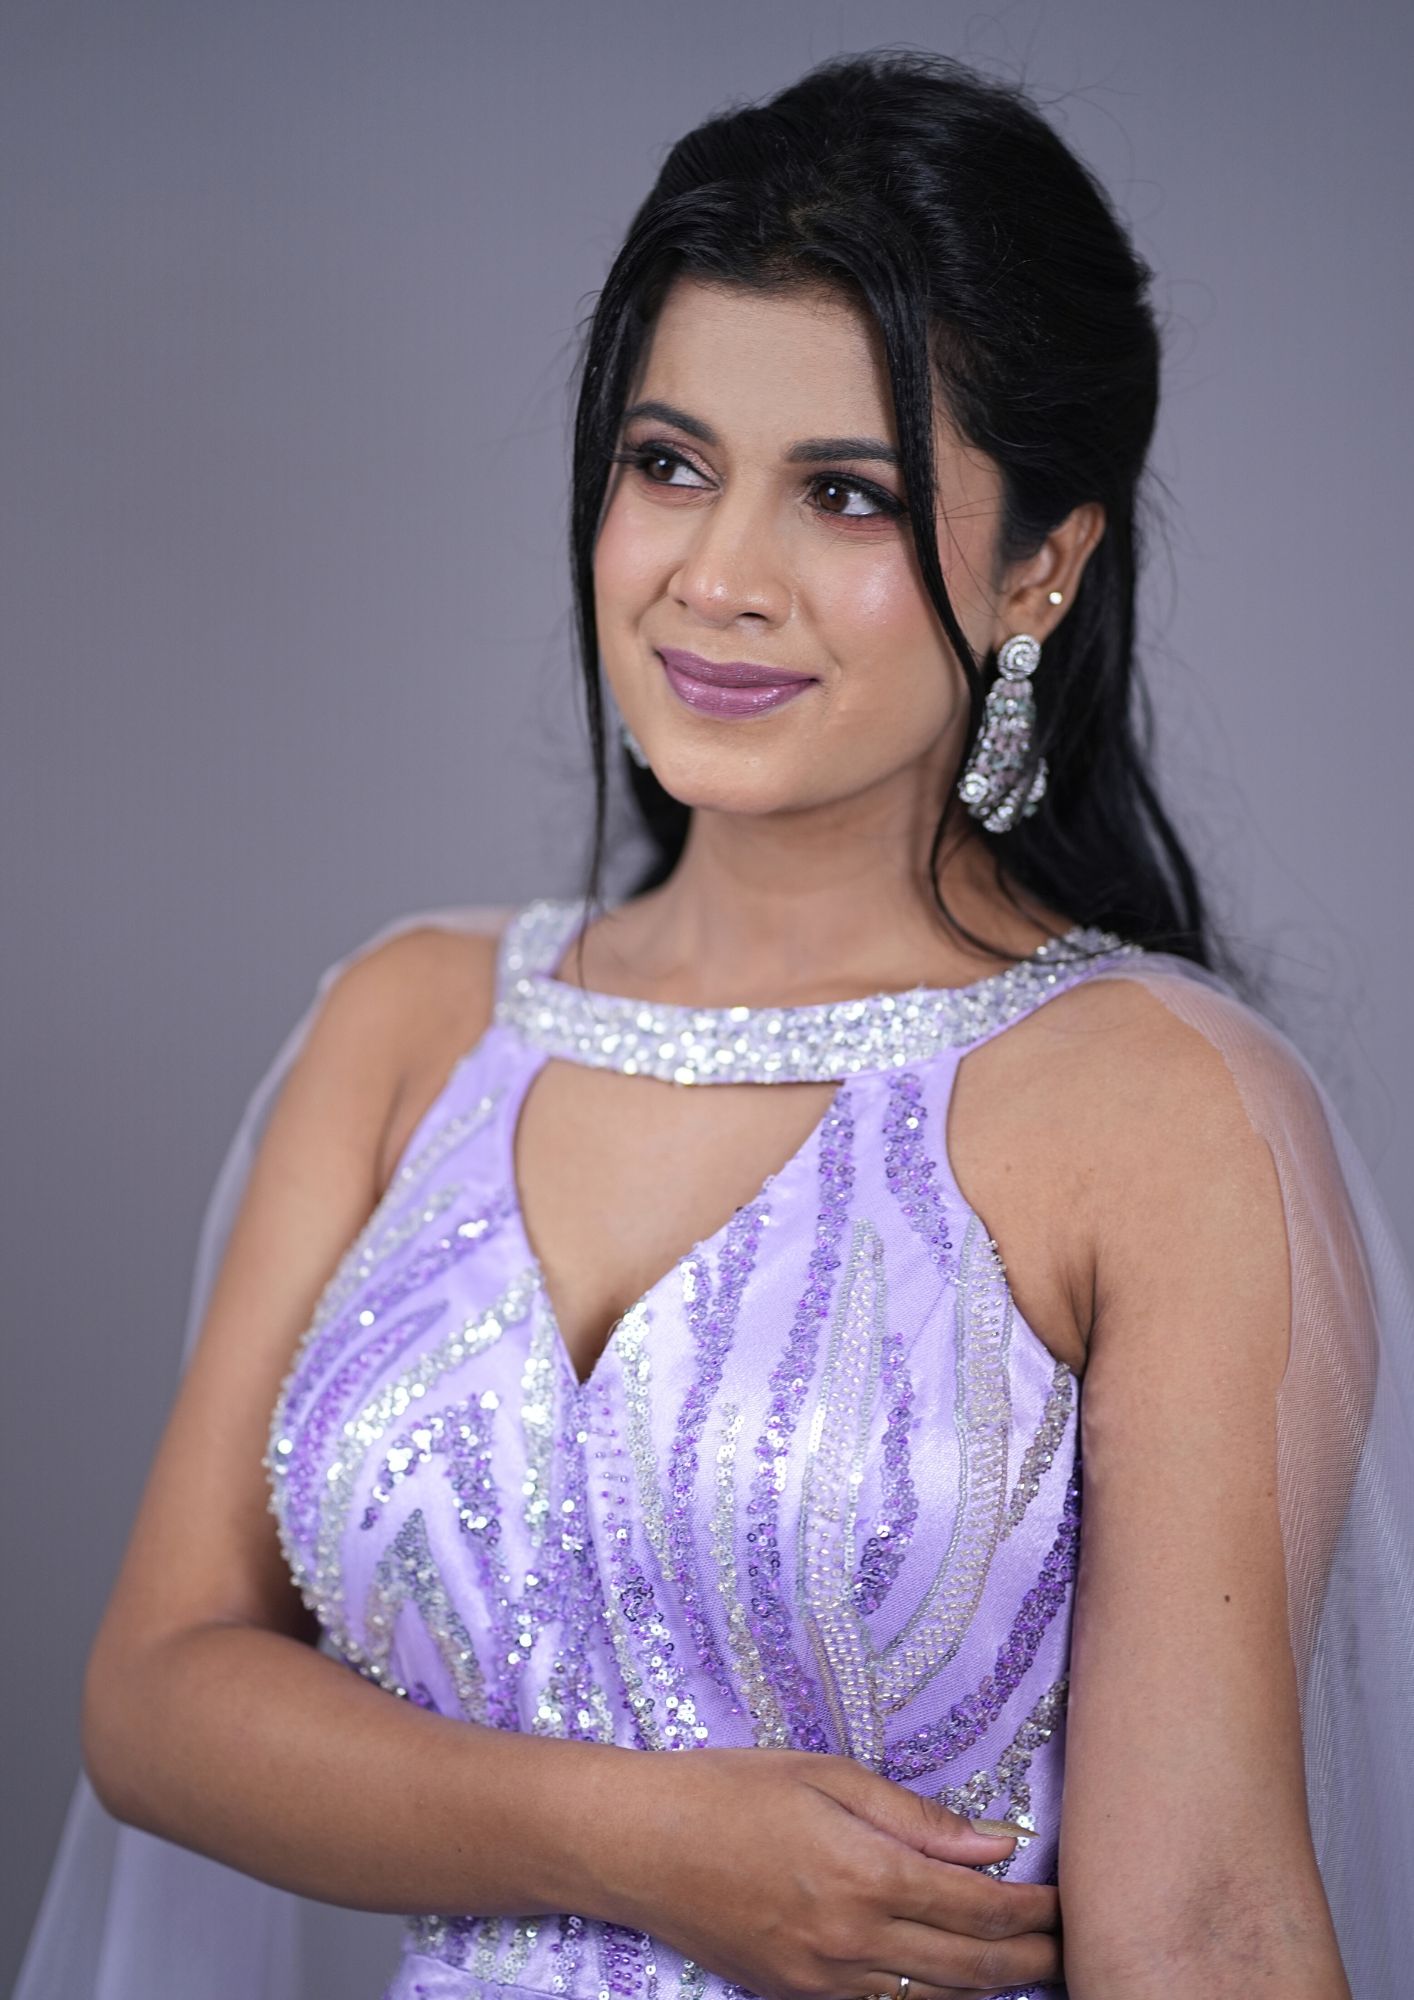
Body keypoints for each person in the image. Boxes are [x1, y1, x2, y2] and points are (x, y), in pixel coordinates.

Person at [15, 48, 1413, 2000]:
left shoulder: (1155, 1110)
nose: (717, 577)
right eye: (668, 463)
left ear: (1039, 567)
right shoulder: (410, 1026)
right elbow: (159, 1693)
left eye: (845, 493)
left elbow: (1205, 1925)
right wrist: (633, 1841)